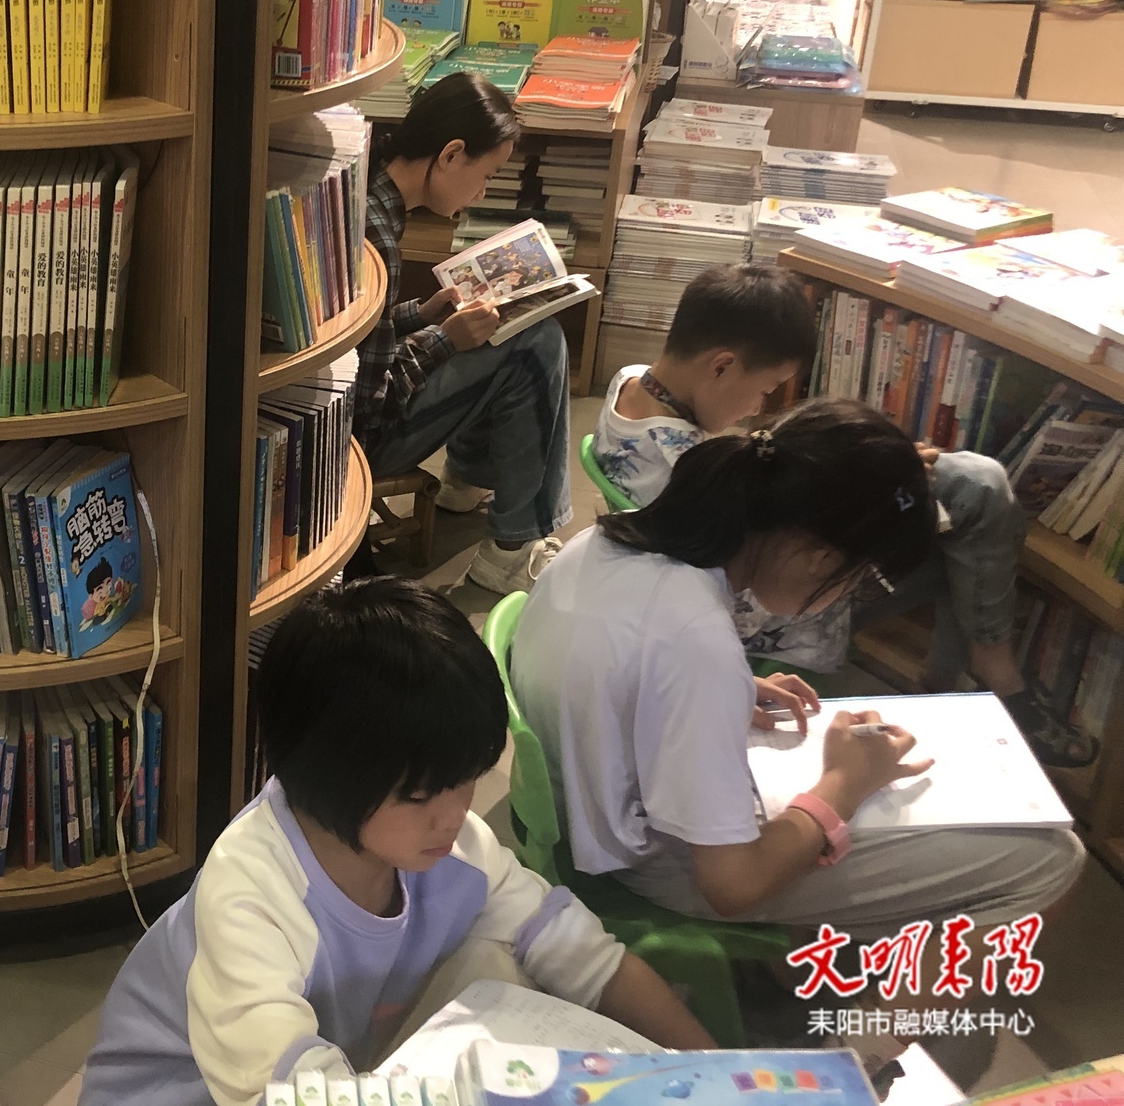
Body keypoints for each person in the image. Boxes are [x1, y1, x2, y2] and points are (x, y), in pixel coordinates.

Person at [80, 577, 712, 1106]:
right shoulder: (250, 897)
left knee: (505, 964)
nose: (454, 815)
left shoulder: (450, 848)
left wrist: (718, 1077)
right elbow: (286, 1093)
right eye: (419, 794)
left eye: (466, 779)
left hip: (327, 1068)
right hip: (182, 1092)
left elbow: (588, 959)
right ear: (327, 770)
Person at [514, 398, 1084, 942]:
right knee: (1052, 861)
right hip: (658, 863)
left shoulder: (610, 537)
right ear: (821, 559)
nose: (848, 593)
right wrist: (845, 784)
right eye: (858, 578)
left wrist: (728, 692)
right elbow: (733, 885)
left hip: (590, 810)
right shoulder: (695, 640)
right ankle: (876, 1019)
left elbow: (621, 663)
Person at [591, 261, 1093, 767]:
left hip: (763, 563)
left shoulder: (633, 384)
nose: (758, 406)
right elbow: (762, 572)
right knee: (975, 503)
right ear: (721, 367)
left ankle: (964, 679)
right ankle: (992, 675)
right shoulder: (682, 468)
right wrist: (876, 484)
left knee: (965, 516)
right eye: (766, 388)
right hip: (773, 607)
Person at [357, 74, 572, 594]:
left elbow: (363, 336)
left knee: (504, 331)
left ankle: (468, 478)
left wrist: (423, 314)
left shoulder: (370, 196)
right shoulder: (375, 234)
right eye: (487, 174)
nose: (484, 191)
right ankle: (513, 547)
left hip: (342, 420)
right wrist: (446, 339)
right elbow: (369, 401)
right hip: (360, 444)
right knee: (537, 343)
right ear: (451, 154)